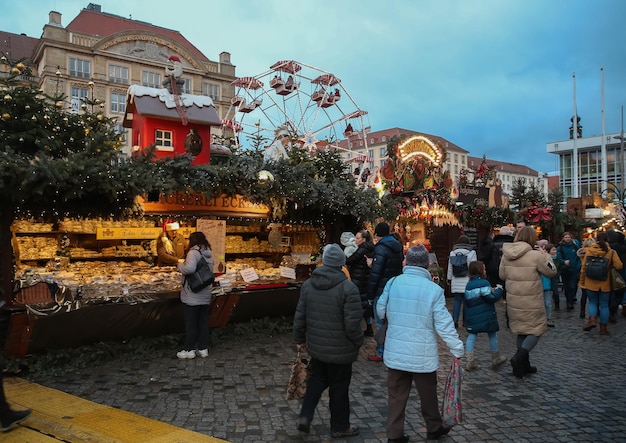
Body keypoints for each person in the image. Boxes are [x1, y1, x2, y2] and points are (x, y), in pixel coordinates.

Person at [376, 245, 464, 442]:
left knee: (396, 395)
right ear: (427, 265)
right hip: (421, 353)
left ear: (407, 262)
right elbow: (443, 323)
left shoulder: (393, 282)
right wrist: (456, 347)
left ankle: (394, 434)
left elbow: (380, 310)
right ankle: (433, 427)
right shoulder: (433, 289)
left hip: (396, 351)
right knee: (428, 393)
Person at [293, 244, 363, 439]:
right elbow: (352, 325)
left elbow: (300, 316)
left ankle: (305, 416)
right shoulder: (348, 288)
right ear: (342, 264)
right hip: (341, 350)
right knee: (339, 387)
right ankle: (340, 426)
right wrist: (358, 342)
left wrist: (299, 338)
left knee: (316, 380)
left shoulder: (308, 285)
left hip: (317, 347)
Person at [499, 226, 557, 378]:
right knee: (536, 329)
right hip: (531, 299)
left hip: (514, 300)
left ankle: (523, 366)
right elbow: (551, 271)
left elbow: (502, 275)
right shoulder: (535, 255)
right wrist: (546, 256)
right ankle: (520, 357)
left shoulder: (506, 255)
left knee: (521, 330)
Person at [367, 222, 404, 362]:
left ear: (377, 234)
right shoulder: (397, 246)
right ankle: (394, 349)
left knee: (380, 322)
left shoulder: (381, 249)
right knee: (392, 322)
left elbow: (376, 273)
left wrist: (371, 294)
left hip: (381, 290)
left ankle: (382, 352)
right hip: (395, 288)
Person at [176, 231, 215, 359]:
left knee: (191, 322)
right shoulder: (208, 253)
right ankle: (203, 348)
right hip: (205, 293)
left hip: (193, 294)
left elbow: (189, 269)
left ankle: (189, 349)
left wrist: (180, 266)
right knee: (203, 321)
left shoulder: (193, 252)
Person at [464, 260, 507, 371]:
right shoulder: (484, 283)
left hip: (473, 315)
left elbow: (471, 299)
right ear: (480, 270)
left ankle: (470, 361)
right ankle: (495, 358)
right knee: (492, 334)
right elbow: (490, 298)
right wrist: (498, 291)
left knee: (472, 337)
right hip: (486, 314)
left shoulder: (469, 285)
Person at [579, 231, 623, 335]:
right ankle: (603, 328)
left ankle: (592, 320)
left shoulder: (590, 251)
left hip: (591, 282)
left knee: (593, 302)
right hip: (605, 283)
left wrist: (582, 282)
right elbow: (619, 266)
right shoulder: (611, 252)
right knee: (604, 305)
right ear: (607, 239)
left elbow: (584, 268)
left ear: (596, 239)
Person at [345, 229, 376, 336]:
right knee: (365, 304)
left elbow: (350, 260)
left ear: (363, 239)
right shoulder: (371, 247)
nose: (355, 240)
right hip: (366, 279)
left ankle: (356, 329)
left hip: (359, 279)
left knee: (358, 305)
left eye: (357, 238)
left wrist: (343, 257)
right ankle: (369, 327)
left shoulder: (362, 249)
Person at [446, 234, 477, 328]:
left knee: (457, 301)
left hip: (456, 279)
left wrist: (449, 279)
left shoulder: (453, 253)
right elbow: (473, 267)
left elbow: (450, 268)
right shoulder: (472, 253)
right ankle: (465, 322)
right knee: (467, 302)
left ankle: (455, 319)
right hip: (467, 280)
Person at [557, 232, 581, 311]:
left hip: (574, 270)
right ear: (563, 238)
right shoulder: (560, 248)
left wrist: (578, 266)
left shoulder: (575, 246)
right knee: (566, 287)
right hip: (565, 270)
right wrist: (564, 262)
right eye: (566, 237)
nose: (567, 239)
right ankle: (568, 301)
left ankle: (570, 302)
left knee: (572, 286)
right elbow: (559, 258)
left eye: (569, 237)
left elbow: (579, 256)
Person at [606, 229, 626, 321]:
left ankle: (609, 309)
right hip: (621, 271)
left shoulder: (610, 248)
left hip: (610, 271)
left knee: (611, 291)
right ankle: (615, 307)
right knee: (620, 290)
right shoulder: (623, 248)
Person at [576, 237, 596, 319]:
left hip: (583, 273)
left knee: (584, 295)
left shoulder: (582, 252)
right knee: (593, 296)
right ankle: (594, 312)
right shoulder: (594, 252)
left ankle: (582, 311)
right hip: (593, 273)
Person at [539, 243, 556, 328]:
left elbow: (551, 267)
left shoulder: (548, 258)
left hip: (546, 284)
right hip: (537, 285)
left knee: (548, 303)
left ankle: (548, 318)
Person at [549, 244, 564, 312]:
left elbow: (561, 264)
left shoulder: (558, 257)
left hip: (555, 276)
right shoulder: (546, 258)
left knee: (555, 291)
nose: (555, 251)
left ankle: (557, 304)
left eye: (555, 250)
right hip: (547, 276)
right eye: (553, 250)